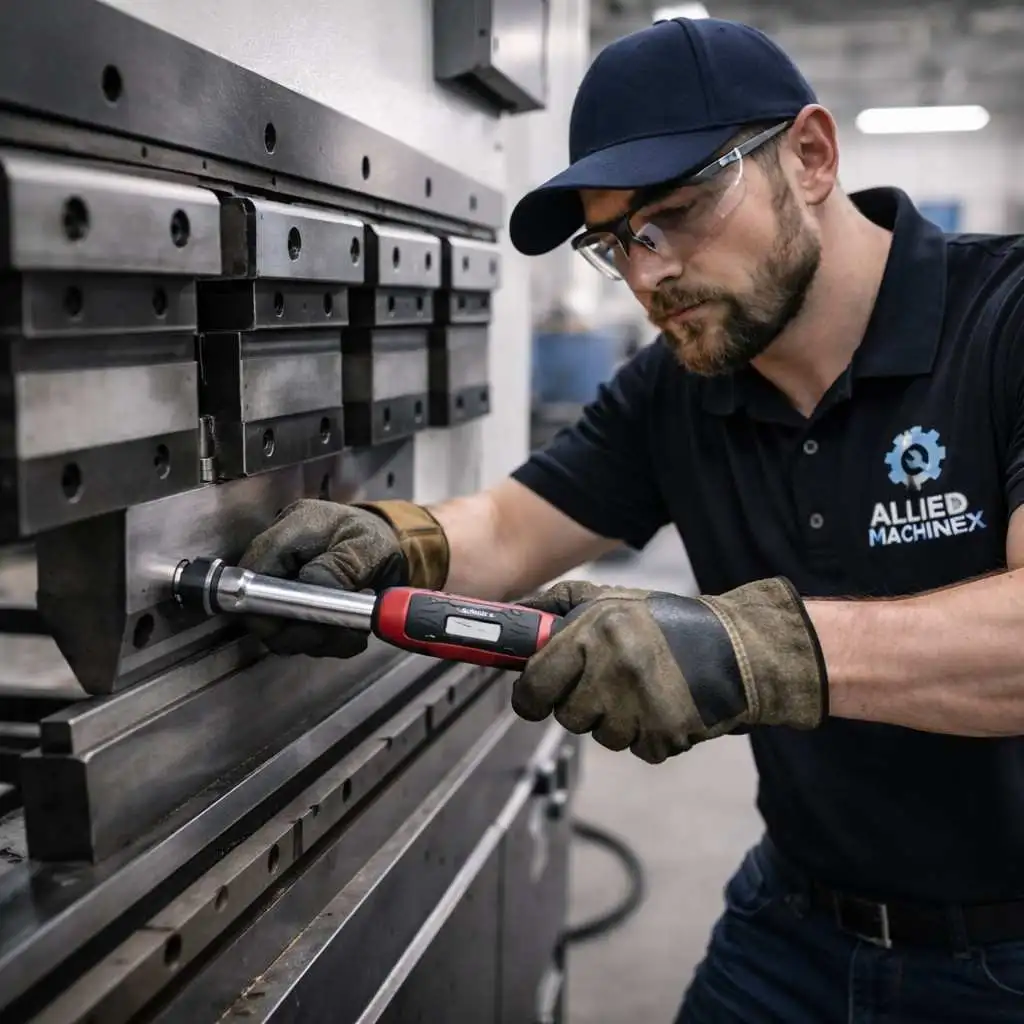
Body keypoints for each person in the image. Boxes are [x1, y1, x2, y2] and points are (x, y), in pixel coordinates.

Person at [237, 15, 1024, 1023]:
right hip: (794, 919)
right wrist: (395, 541)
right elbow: (514, 529)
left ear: (812, 156)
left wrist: (752, 648)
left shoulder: (1001, 321)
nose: (647, 274)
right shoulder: (679, 387)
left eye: (675, 213)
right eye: (614, 242)